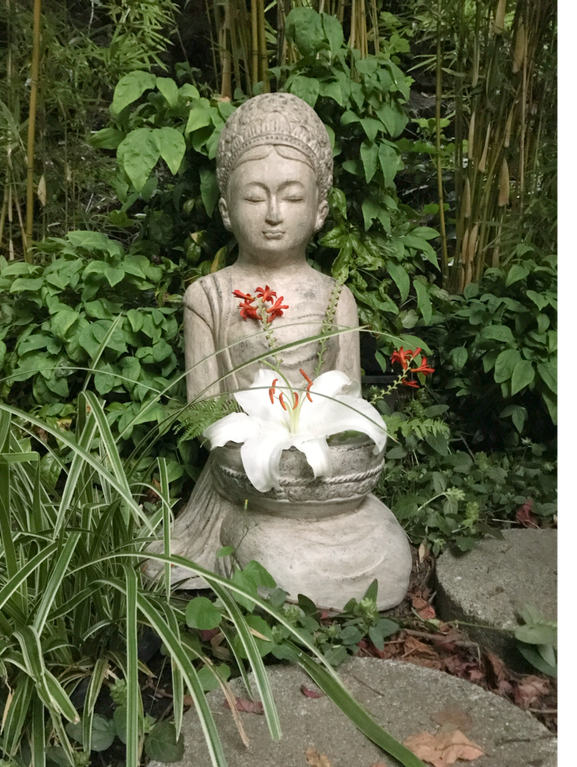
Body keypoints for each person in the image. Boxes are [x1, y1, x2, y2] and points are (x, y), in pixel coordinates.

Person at [147, 93, 361, 586]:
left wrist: (335, 460)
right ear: (227, 210)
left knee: (386, 555)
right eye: (254, 197)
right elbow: (205, 413)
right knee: (272, 558)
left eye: (292, 197)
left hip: (324, 485)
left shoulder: (337, 298)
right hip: (244, 481)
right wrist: (259, 452)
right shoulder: (209, 296)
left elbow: (350, 412)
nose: (273, 213)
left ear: (320, 209)